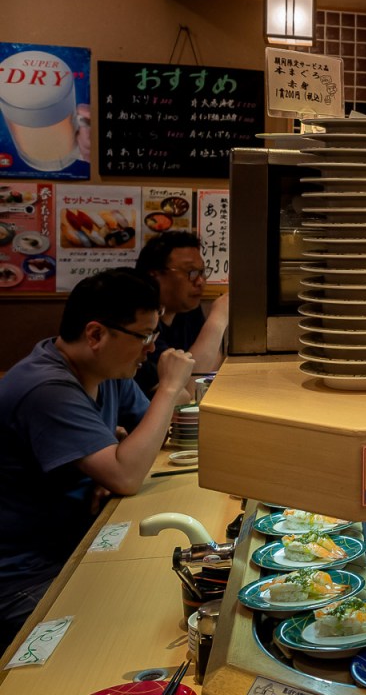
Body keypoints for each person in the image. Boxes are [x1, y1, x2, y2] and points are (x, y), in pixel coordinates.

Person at [0, 269, 195, 650]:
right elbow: (126, 475)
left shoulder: (108, 371)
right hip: (23, 577)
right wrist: (169, 387)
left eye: (153, 336)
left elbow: (148, 434)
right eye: (144, 336)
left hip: (74, 544)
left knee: (161, 599)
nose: (151, 349)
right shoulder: (45, 387)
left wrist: (116, 451)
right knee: (123, 641)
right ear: (95, 335)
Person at [133, 230, 228, 397]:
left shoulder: (188, 309)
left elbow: (210, 368)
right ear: (155, 275)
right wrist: (218, 319)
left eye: (202, 272)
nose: (200, 281)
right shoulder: (139, 323)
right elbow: (189, 389)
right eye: (190, 273)